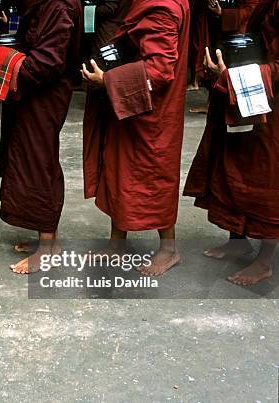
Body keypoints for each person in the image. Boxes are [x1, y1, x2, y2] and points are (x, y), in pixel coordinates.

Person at [82, 0, 190, 276]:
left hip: (151, 113)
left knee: (154, 177)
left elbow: (160, 71)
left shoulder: (161, 8)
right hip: (135, 104)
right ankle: (116, 244)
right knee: (120, 171)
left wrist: (107, 80)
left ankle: (169, 249)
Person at [184, 0, 277, 286]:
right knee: (232, 163)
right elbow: (245, 21)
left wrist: (230, 75)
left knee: (265, 178)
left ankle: (265, 260)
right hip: (238, 85)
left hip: (270, 104)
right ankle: (238, 241)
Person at [0, 0, 82, 274]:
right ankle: (50, 240)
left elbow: (47, 64)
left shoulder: (58, 6)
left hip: (48, 92)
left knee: (39, 161)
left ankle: (47, 249)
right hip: (37, 92)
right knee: (33, 158)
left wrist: (3, 59)